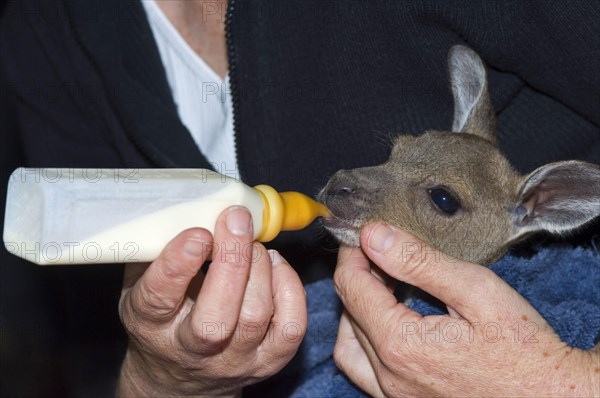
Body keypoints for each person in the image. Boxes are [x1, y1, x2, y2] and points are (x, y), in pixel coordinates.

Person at [1, 0, 598, 396]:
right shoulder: (48, 30)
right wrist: (161, 379)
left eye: (440, 200)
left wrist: (562, 381)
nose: (349, 180)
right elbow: (86, 354)